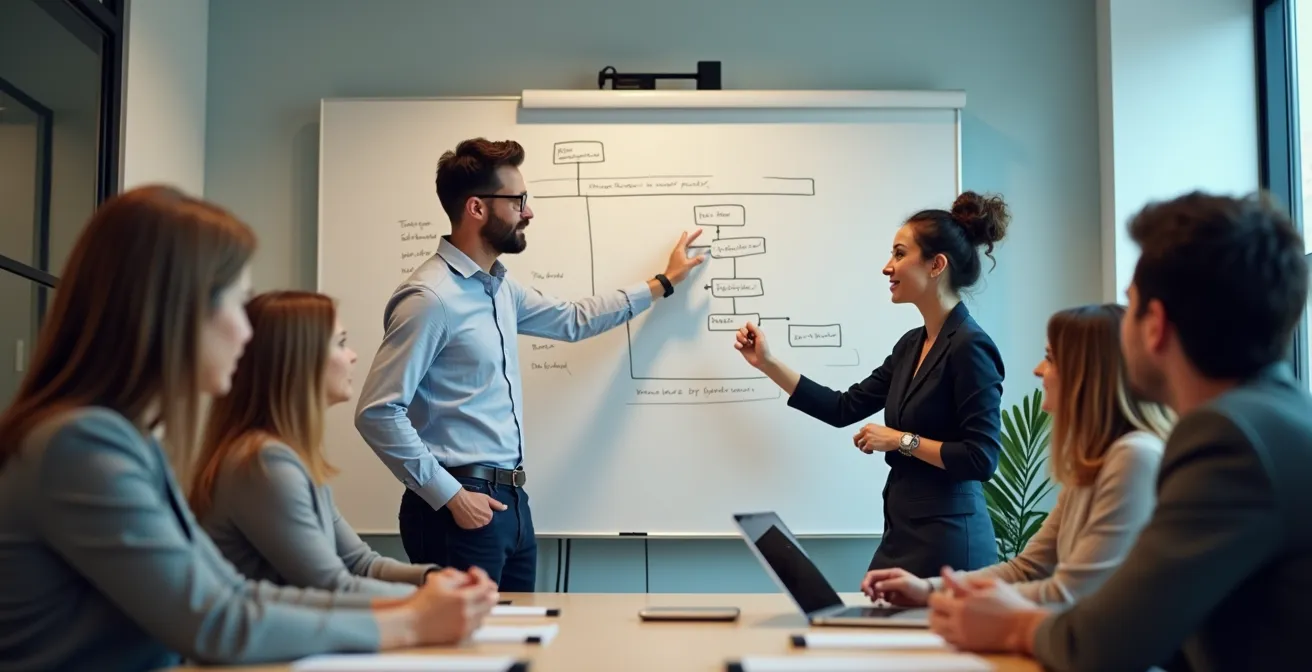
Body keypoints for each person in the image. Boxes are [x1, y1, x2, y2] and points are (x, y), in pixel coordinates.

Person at [0, 186, 499, 670]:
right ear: (173, 311)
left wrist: (420, 605)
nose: (246, 330)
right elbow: (214, 620)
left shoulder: (122, 442)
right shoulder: (80, 446)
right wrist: (412, 621)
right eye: (236, 304)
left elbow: (232, 596)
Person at [926, 191, 1312, 672]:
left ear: (1155, 326)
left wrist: (1012, 624)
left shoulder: (1228, 442)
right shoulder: (1274, 419)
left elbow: (1108, 640)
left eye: (1128, 306)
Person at [354, 138, 706, 592]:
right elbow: (377, 412)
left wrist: (662, 282)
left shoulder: (499, 288)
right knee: (466, 658)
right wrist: (450, 496)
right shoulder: (430, 299)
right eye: (518, 200)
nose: (528, 211)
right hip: (459, 506)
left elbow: (574, 320)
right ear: (477, 208)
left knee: (520, 647)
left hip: (511, 504)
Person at [734, 191, 1009, 577]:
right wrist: (767, 363)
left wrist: (900, 440)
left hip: (950, 543)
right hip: (903, 533)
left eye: (899, 254)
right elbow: (842, 407)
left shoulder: (970, 346)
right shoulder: (911, 345)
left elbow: (981, 459)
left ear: (936, 265)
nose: (887, 267)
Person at [861, 303, 1173, 608]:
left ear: (1088, 374)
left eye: (1050, 358)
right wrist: (928, 589)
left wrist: (976, 610)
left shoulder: (1134, 458)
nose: (1038, 370)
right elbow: (1026, 569)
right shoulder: (1090, 468)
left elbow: (1072, 593)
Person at [190, 291, 439, 598]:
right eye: (341, 343)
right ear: (298, 360)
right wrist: (436, 598)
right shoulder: (263, 464)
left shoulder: (288, 456)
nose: (353, 356)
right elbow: (333, 587)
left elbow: (360, 564)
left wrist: (434, 578)